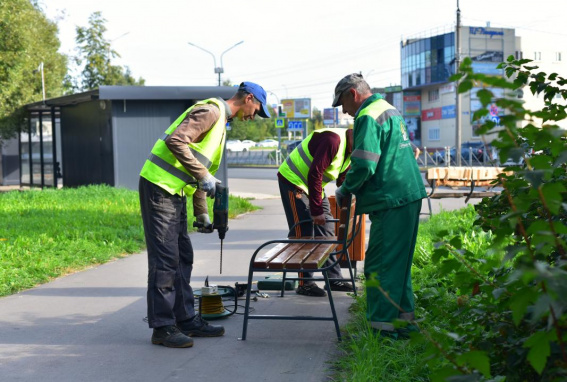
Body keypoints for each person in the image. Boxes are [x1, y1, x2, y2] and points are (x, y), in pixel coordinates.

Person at [139, 82, 271, 348]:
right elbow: (176, 141)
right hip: (158, 188)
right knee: (165, 260)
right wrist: (202, 176)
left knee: (182, 256)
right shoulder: (211, 111)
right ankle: (162, 328)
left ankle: (185, 318)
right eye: (257, 109)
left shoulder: (221, 125)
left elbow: (201, 171)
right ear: (248, 99)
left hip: (173, 192)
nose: (254, 116)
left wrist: (202, 214)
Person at [332, 73, 427, 339]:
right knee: (398, 265)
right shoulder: (389, 109)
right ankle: (404, 325)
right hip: (407, 194)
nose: (344, 112)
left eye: (342, 104)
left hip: (391, 199)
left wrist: (345, 189)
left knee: (380, 266)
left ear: (353, 94)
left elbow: (364, 163)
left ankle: (383, 335)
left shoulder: (367, 115)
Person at [278, 127, 355, 297]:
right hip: (293, 180)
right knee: (303, 232)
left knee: (327, 230)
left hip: (313, 187)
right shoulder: (333, 140)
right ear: (354, 134)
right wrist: (316, 209)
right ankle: (305, 284)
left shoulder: (350, 149)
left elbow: (342, 176)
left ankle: (334, 279)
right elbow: (315, 173)